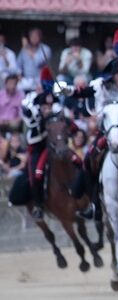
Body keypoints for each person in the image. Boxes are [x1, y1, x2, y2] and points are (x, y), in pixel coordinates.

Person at [59, 28, 118, 219]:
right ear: (114, 74)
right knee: (89, 158)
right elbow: (82, 91)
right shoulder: (102, 85)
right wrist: (66, 90)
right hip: (111, 132)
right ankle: (94, 202)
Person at [22, 67, 84, 220]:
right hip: (38, 146)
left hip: (55, 145)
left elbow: (63, 119)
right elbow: (29, 117)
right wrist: (41, 112)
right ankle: (38, 204)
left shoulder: (56, 100)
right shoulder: (31, 100)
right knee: (36, 174)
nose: (48, 107)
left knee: (78, 161)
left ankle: (87, 196)